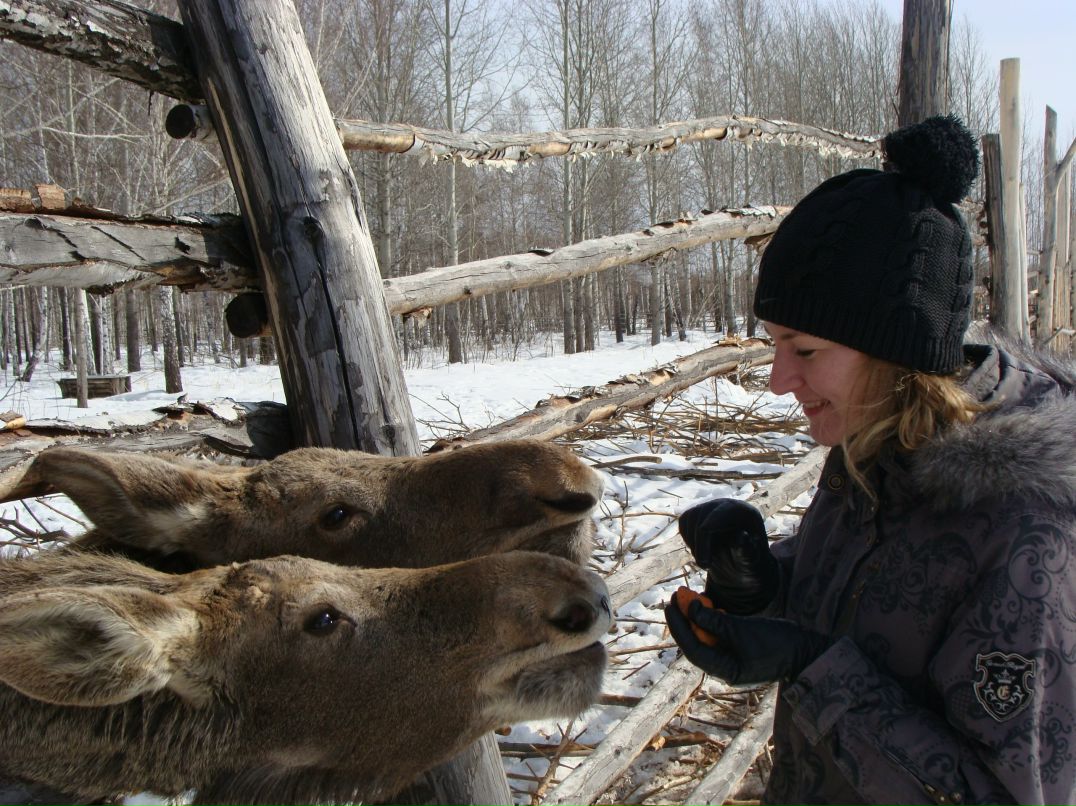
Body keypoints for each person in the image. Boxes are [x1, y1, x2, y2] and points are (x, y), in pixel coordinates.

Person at [665, 115, 1076, 805]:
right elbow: (877, 600)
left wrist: (816, 671)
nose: (778, 379)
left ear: (896, 352)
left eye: (805, 349)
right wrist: (765, 582)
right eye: (775, 344)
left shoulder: (1027, 542)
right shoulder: (879, 442)